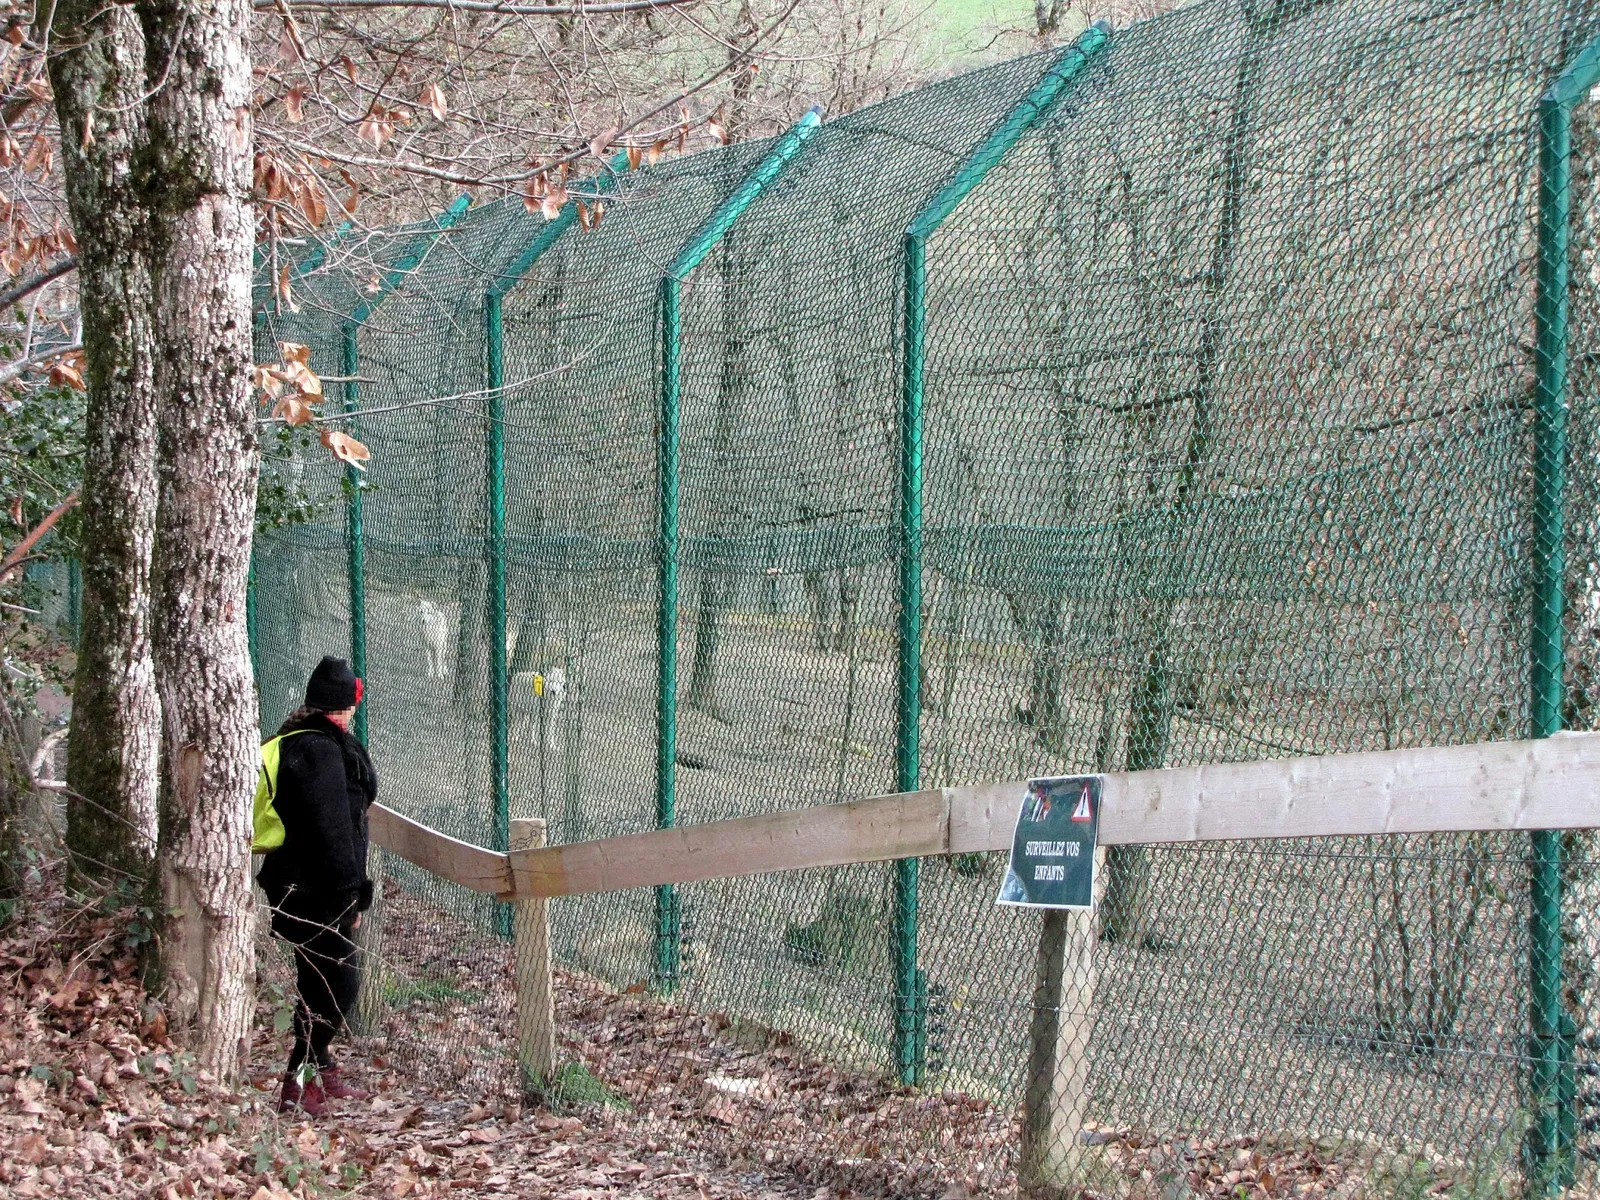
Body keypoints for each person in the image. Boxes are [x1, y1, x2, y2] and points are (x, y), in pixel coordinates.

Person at [257, 655, 378, 1116]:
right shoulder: (322, 752)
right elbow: (332, 831)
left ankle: (319, 1072)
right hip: (314, 892)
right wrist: (350, 896)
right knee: (340, 987)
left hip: (297, 887)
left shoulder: (300, 741)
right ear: (349, 703)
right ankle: (297, 1082)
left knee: (316, 983)